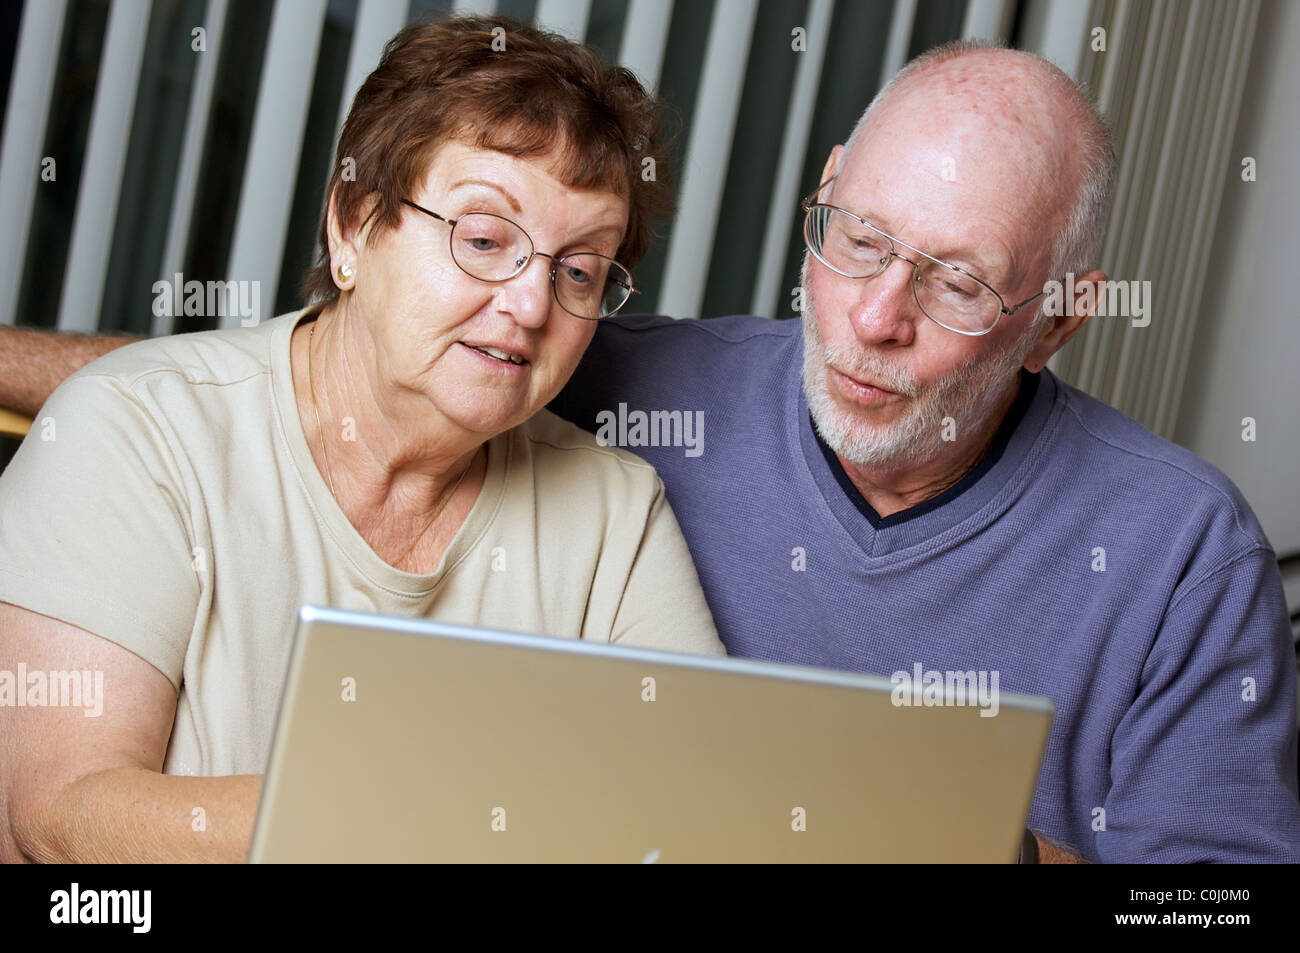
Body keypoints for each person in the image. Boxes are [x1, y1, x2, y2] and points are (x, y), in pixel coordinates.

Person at [4, 40, 1298, 864]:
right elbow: (310, 371)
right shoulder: (611, 376)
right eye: (855, 237)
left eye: (959, 283)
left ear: (1058, 319)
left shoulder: (1184, 549)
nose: (873, 316)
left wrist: (977, 849)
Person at [0, 16, 722, 864]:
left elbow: (703, 815)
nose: (531, 305)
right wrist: (425, 810)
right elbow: (58, 820)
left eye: (578, 271)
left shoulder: (614, 515)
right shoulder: (135, 428)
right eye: (485, 239)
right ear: (353, 225)